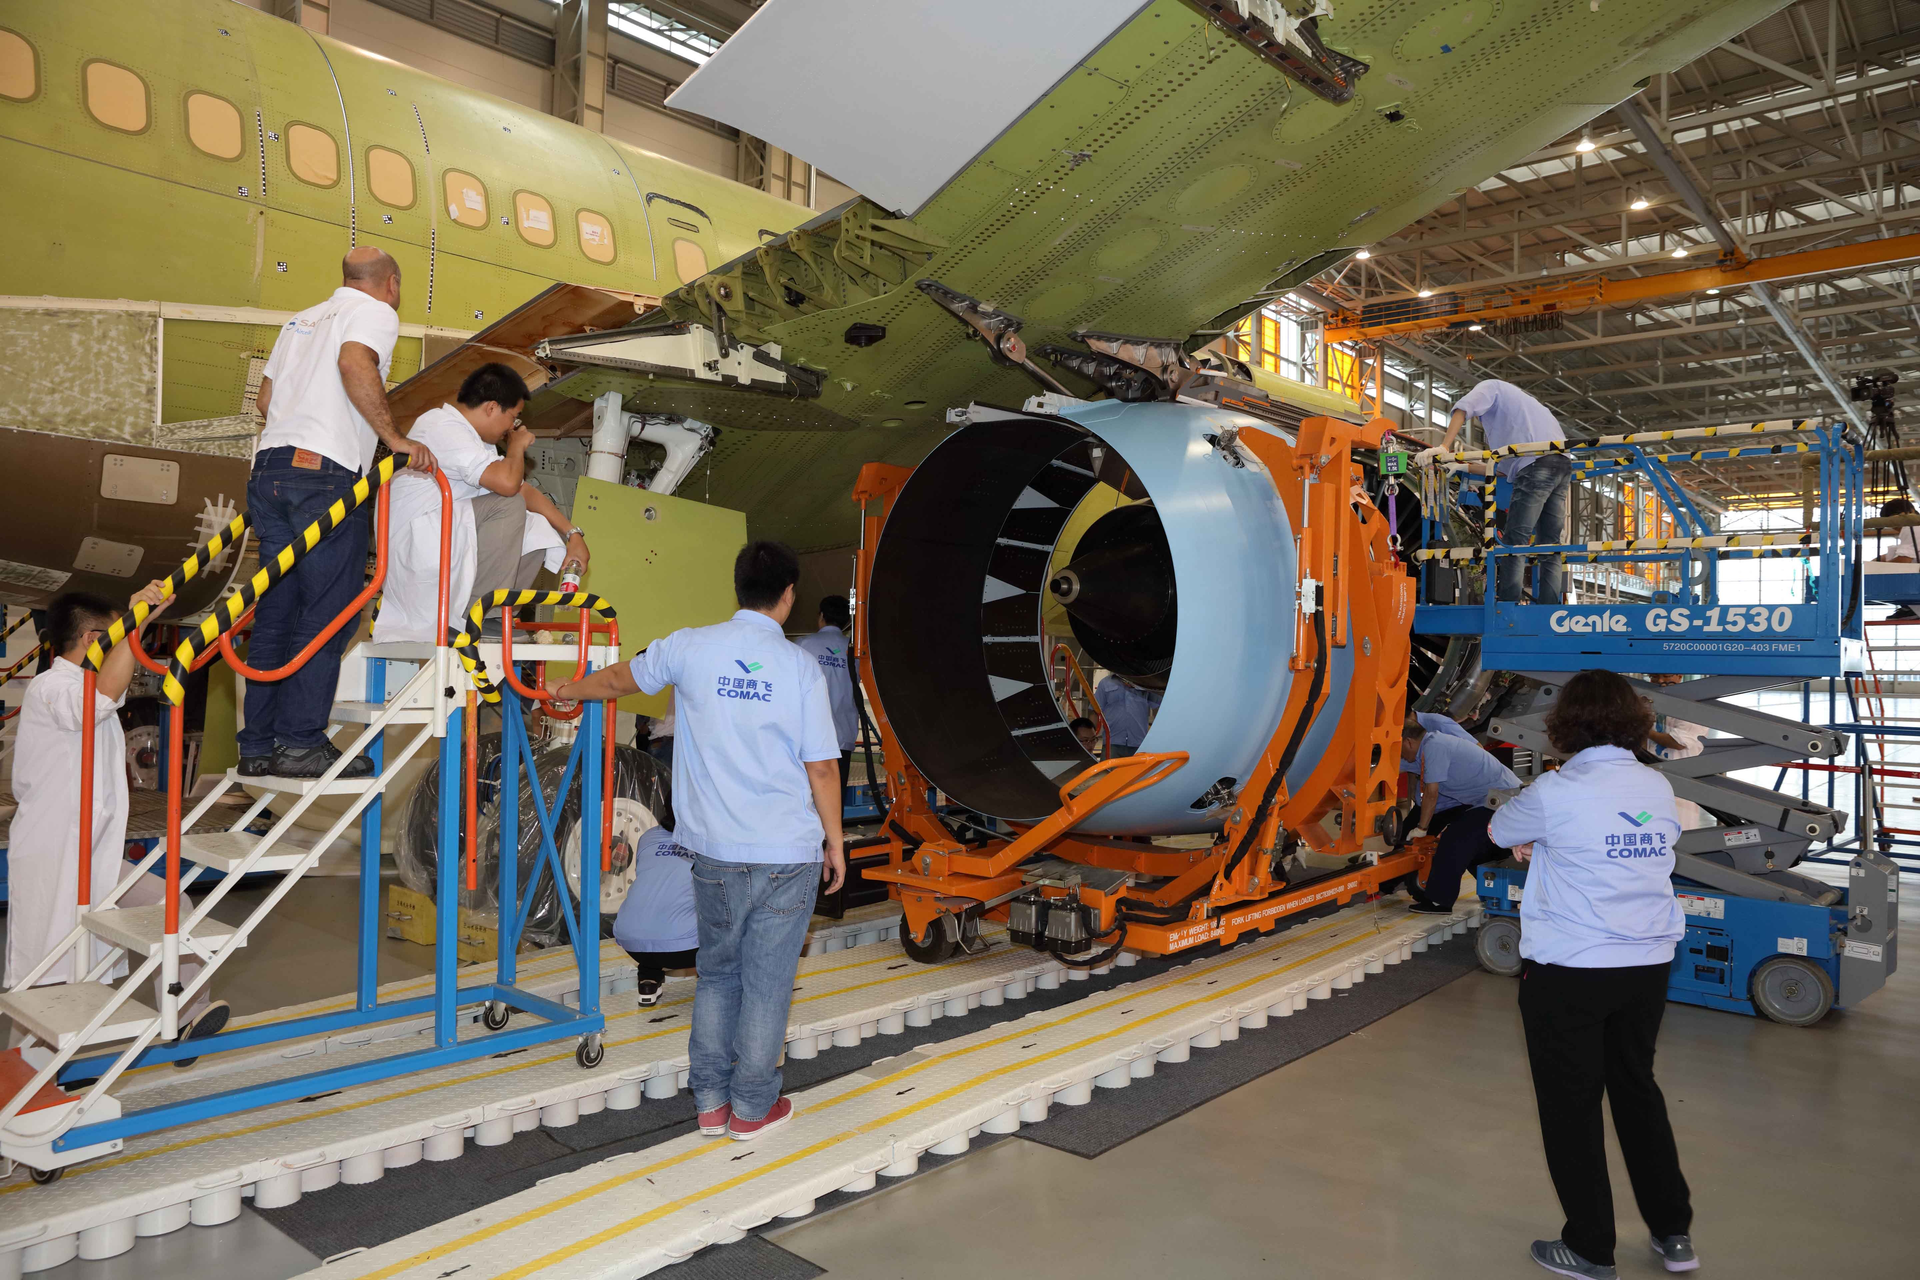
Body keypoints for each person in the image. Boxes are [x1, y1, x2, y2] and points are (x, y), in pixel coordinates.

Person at [551, 541, 843, 1142]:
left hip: (712, 851)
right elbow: (821, 768)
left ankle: (710, 1104)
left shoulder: (687, 647)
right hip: (786, 854)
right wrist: (834, 843)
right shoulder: (798, 669)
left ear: (737, 589)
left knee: (718, 975)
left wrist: (564, 691)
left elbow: (614, 679)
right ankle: (752, 1109)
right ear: (788, 597)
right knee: (767, 984)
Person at [1487, 669, 1694, 1279]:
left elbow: (1500, 830)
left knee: (1570, 1106)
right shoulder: (1655, 787)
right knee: (1637, 1091)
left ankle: (1589, 1248)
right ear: (1633, 720)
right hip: (1648, 965)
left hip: (1572, 969)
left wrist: (1535, 843)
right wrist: (1547, 843)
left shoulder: (1555, 791)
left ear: (1564, 723)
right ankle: (1673, 1232)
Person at [6, 588, 229, 1063]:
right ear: (91, 640)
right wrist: (137, 620)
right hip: (56, 854)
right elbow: (102, 695)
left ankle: (187, 1014)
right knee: (48, 978)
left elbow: (109, 691)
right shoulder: (54, 689)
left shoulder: (88, 689)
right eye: (115, 636)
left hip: (95, 856)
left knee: (172, 905)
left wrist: (139, 622)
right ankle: (22, 1077)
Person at [244, 248, 436, 779]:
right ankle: (300, 741)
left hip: (270, 472)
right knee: (329, 611)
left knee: (277, 613)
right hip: (323, 478)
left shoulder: (301, 319)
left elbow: (266, 401)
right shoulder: (375, 312)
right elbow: (355, 363)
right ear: (391, 284)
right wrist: (394, 439)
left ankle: (258, 744)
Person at [369, 363, 587, 643]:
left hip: (442, 543)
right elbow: (509, 487)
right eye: (514, 418)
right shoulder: (442, 426)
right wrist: (517, 446)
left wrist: (572, 534)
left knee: (538, 528)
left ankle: (496, 616)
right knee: (508, 506)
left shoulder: (474, 440)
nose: (513, 427)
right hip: (416, 553)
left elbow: (525, 491)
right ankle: (478, 615)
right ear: (492, 407)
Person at [1440, 379, 1570, 603]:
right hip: (1562, 464)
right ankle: (1550, 607)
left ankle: (1507, 604)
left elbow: (1462, 409)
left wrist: (1443, 447)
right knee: (1550, 542)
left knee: (1515, 539)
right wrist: (1464, 466)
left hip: (1536, 464)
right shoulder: (1527, 409)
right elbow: (1502, 470)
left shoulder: (1490, 387)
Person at [1401, 716, 1520, 913]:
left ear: (1408, 742)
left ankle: (1439, 901)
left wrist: (1421, 829)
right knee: (1478, 850)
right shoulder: (1423, 751)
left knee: (1455, 840)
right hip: (1489, 801)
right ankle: (1496, 892)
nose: (1401, 756)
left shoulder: (1435, 746)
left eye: (1399, 749)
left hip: (1502, 798)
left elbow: (1432, 792)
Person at [611, 825, 697, 1008]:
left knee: (657, 904)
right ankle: (712, 984)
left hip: (633, 944)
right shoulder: (710, 837)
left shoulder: (648, 836)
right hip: (686, 951)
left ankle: (648, 980)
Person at [796, 595, 858, 792]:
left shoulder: (803, 646)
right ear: (847, 620)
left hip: (808, 739)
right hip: (843, 738)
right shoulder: (855, 652)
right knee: (834, 802)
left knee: (806, 805)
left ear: (821, 616)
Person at [1645, 673, 1707, 830]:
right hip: (1651, 778)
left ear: (1680, 676)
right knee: (1647, 824)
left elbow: (1677, 742)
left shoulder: (1690, 705)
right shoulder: (1651, 702)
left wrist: (1644, 730)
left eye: (1665, 676)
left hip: (1680, 781)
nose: (1659, 681)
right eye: (1653, 677)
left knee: (1680, 830)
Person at [1874, 498, 1920, 619]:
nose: (1893, 525)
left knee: (1892, 571)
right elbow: (1899, 552)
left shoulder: (1912, 526)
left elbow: (1903, 562)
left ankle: (1913, 607)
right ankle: (1911, 607)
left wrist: (1874, 570)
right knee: (1893, 553)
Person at [1094, 674, 1162, 755]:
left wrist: (1150, 683)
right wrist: (1091, 736)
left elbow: (1160, 705)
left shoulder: (1146, 683)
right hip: (1112, 742)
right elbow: (1095, 710)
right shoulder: (1105, 683)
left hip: (1139, 743)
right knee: (1109, 768)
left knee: (1138, 768)